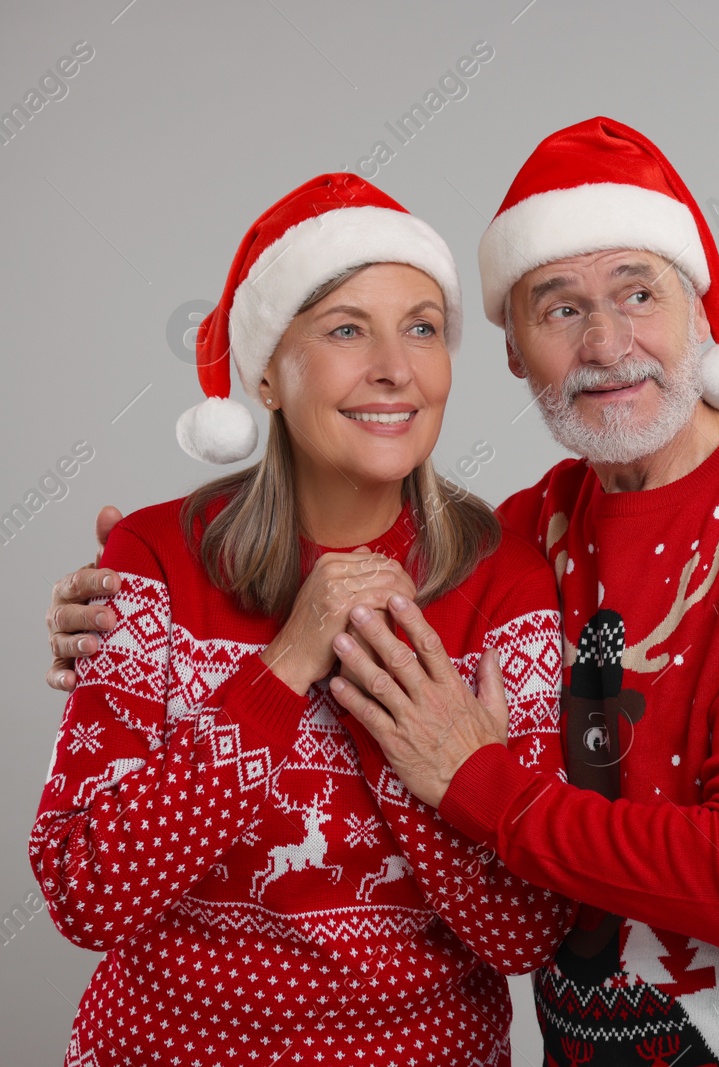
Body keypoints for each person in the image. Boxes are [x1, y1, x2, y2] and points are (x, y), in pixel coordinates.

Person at [48, 117, 719, 1066]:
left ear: (704, 317)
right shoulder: (529, 532)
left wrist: (466, 774)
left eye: (639, 293)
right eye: (559, 309)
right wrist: (142, 595)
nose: (606, 343)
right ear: (514, 352)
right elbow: (92, 878)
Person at [31, 172, 576, 1067]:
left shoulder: (504, 580)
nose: (396, 366)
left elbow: (524, 931)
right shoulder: (154, 559)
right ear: (269, 378)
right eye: (346, 328)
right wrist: (286, 665)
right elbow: (85, 890)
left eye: (423, 327)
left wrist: (403, 717)